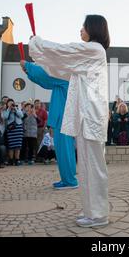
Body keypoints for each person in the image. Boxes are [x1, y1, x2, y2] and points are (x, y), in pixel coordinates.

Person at [28, 14, 110, 228]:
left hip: (91, 116)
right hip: (86, 116)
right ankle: (92, 211)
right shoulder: (87, 55)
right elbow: (60, 68)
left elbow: (63, 51)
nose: (80, 30)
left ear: (93, 28)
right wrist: (39, 57)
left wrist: (37, 43)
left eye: (83, 26)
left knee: (93, 165)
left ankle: (99, 214)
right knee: (85, 166)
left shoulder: (94, 49)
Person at [20, 60, 79, 189]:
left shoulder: (66, 76)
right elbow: (45, 82)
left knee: (65, 150)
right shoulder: (63, 78)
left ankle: (70, 181)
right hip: (63, 118)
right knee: (63, 149)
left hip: (63, 118)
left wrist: (29, 66)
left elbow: (46, 75)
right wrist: (29, 73)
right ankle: (67, 179)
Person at [2, 99, 24, 166]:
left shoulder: (17, 109)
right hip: (11, 129)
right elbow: (5, 117)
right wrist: (9, 109)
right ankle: (11, 160)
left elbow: (21, 116)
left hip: (18, 128)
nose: (11, 104)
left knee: (18, 145)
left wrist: (15, 109)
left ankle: (17, 160)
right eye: (10, 103)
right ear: (7, 104)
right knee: (11, 145)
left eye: (12, 103)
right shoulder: (6, 110)